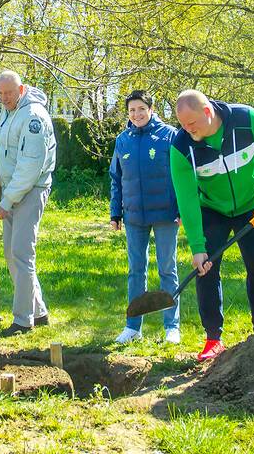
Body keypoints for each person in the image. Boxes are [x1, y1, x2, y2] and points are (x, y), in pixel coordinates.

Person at [169, 90, 254, 362]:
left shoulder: (246, 119)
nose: (187, 129)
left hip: (253, 206)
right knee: (205, 270)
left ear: (208, 112)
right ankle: (213, 339)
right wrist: (197, 247)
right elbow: (186, 199)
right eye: (183, 124)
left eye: (192, 123)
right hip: (211, 209)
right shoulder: (181, 147)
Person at [109, 90, 181, 344]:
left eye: (141, 109)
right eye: (131, 110)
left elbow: (181, 176)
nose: (136, 114)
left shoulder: (170, 136)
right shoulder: (123, 140)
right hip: (134, 217)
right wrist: (115, 213)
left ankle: (172, 326)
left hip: (165, 214)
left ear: (151, 109)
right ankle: (133, 327)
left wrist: (182, 210)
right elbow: (116, 179)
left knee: (167, 269)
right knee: (135, 271)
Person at [0, 70, 56, 336]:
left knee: (21, 252)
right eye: (1, 94)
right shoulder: (8, 112)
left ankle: (22, 321)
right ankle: (39, 312)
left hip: (29, 191)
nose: (5, 98)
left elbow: (30, 166)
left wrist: (6, 201)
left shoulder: (33, 117)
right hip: (13, 191)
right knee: (11, 252)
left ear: (21, 90)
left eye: (9, 93)